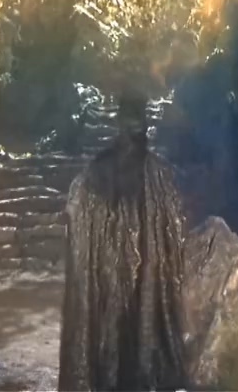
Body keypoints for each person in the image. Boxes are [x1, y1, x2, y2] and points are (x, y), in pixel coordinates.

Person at [58, 91, 188, 392]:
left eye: (137, 124)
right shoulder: (98, 172)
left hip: (144, 274)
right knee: (112, 336)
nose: (134, 131)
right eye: (130, 123)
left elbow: (172, 225)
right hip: (109, 273)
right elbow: (79, 220)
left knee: (134, 335)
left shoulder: (156, 173)